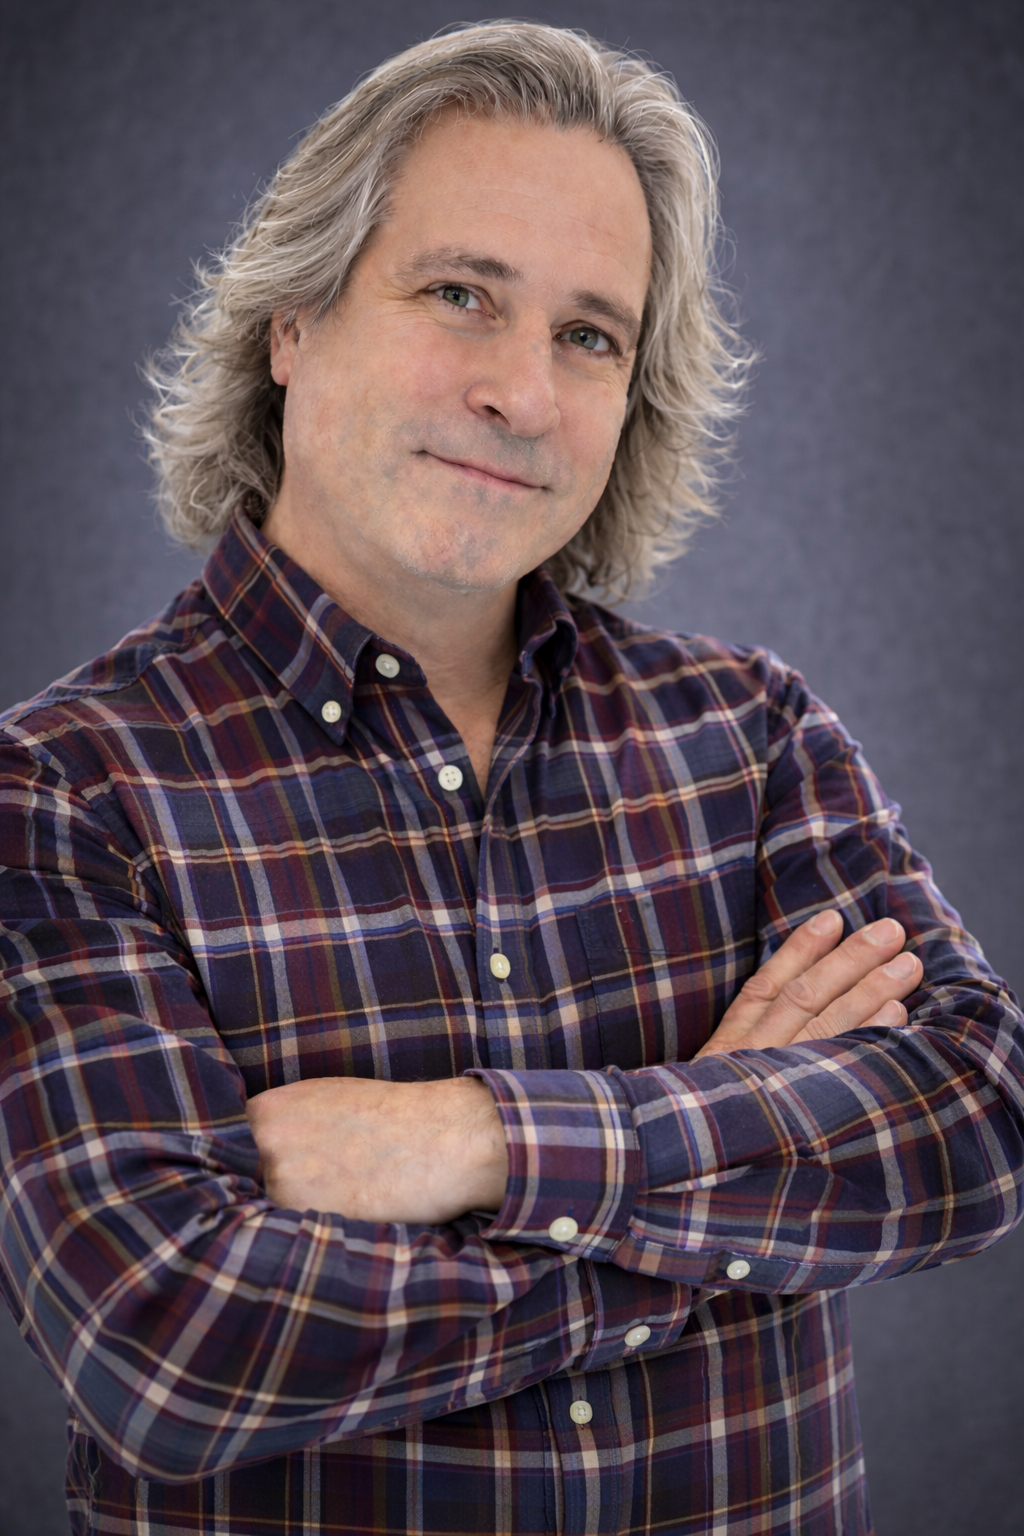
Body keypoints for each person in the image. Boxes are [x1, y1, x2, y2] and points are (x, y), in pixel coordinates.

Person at [0, 21, 1021, 1536]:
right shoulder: (66, 796)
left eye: (589, 335)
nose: (523, 393)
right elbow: (171, 1351)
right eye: (462, 295)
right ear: (292, 322)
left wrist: (466, 1144)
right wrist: (719, 1148)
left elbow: (972, 1119)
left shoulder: (747, 735)